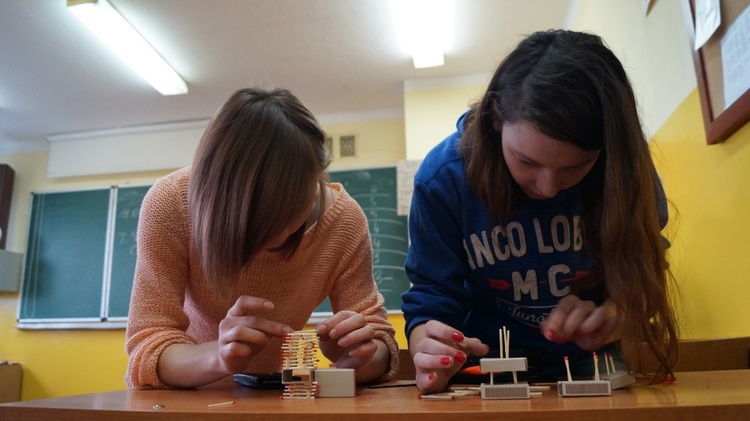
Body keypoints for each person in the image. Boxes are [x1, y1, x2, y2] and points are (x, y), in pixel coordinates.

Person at [401, 29, 678, 395]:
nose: (547, 188)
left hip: (595, 365)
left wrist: (618, 314)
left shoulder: (626, 169)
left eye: (575, 168)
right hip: (487, 368)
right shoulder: (443, 178)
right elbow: (432, 296)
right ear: (497, 120)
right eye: (527, 161)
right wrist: (429, 349)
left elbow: (645, 267)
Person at [125, 87, 398, 389]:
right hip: (189, 401)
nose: (281, 235)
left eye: (295, 213)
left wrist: (359, 357)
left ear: (317, 176)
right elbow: (147, 347)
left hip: (273, 398)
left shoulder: (344, 222)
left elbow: (380, 342)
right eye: (262, 222)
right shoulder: (171, 203)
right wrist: (218, 356)